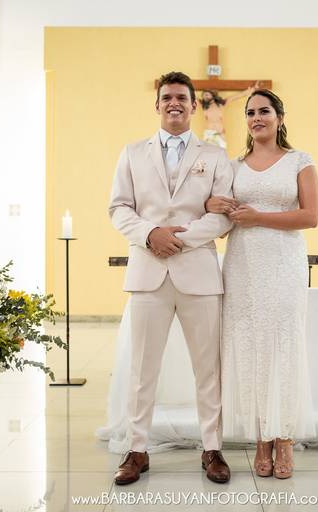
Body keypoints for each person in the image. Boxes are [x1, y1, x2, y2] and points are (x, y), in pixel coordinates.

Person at [107, 71, 234, 485]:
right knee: (142, 368)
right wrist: (150, 234)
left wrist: (177, 239)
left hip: (199, 275)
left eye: (182, 97)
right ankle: (137, 449)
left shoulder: (215, 156)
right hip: (148, 274)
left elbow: (223, 215)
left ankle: (212, 448)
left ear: (194, 105)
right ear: (157, 105)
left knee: (208, 368)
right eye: (167, 97)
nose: (174, 103)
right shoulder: (132, 153)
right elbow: (119, 208)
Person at [206, 89, 318, 479]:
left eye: (265, 111)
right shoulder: (233, 166)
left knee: (282, 345)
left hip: (284, 263)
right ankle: (261, 438)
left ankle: (284, 437)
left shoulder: (300, 161)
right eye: (251, 112)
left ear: (279, 117)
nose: (257, 117)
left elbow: (310, 216)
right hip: (243, 265)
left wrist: (259, 218)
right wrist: (213, 206)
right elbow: (220, 215)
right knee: (250, 346)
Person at [199, 83, 257, 149]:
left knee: (221, 154)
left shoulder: (222, 104)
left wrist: (251, 90)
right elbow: (191, 97)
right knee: (207, 154)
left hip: (220, 134)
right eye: (203, 96)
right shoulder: (203, 105)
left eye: (206, 95)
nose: (205, 97)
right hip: (208, 135)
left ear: (213, 95)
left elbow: (236, 96)